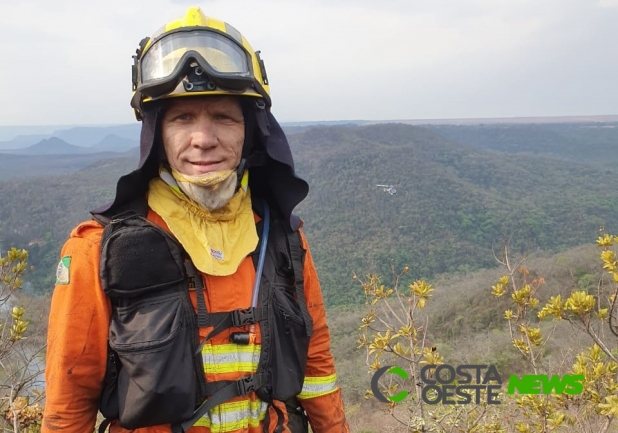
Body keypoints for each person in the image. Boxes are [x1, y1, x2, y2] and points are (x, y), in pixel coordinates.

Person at [42, 6, 349, 433]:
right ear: (157, 135)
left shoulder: (281, 239)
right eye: (182, 118)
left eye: (223, 117)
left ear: (250, 131)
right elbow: (68, 402)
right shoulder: (98, 250)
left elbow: (316, 365)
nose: (203, 139)